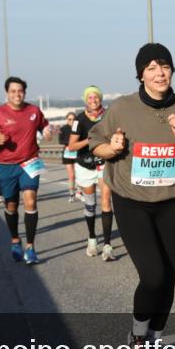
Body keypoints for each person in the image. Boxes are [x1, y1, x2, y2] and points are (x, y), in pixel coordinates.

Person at [90, 43, 175, 349]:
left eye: (165, 66)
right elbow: (96, 145)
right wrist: (112, 147)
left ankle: (155, 341)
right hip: (131, 201)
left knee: (169, 277)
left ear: (173, 71)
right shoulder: (122, 108)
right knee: (154, 274)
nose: (159, 73)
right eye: (151, 68)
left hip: (169, 202)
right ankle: (137, 337)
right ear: (141, 74)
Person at [0, 76, 52, 265]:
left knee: (31, 199)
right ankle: (15, 240)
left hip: (29, 163)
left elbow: (44, 125)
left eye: (20, 91)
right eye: (13, 91)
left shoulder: (33, 111)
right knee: (11, 206)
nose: (17, 94)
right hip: (6, 167)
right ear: (7, 93)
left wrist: (46, 131)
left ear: (24, 92)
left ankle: (30, 247)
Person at [68, 87, 116, 261]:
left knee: (106, 200)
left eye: (96, 97)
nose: (93, 100)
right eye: (90, 97)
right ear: (85, 100)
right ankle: (92, 239)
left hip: (104, 163)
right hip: (85, 165)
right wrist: (89, 140)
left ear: (100, 99)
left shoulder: (108, 115)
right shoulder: (79, 119)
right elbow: (71, 146)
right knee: (90, 204)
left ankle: (108, 246)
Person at [58, 112, 79, 202]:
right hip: (67, 154)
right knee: (71, 176)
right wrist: (70, 142)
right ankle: (71, 195)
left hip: (78, 153)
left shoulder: (78, 128)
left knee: (79, 174)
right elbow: (60, 140)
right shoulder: (63, 128)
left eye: (73, 119)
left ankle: (79, 192)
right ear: (67, 120)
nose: (71, 121)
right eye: (69, 119)